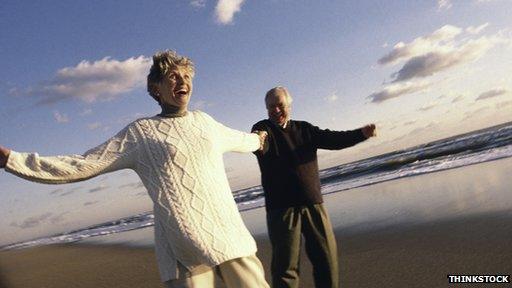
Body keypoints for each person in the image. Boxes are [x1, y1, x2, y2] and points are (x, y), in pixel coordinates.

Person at [0, 50, 270, 288]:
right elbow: (83, 164)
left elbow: (241, 139)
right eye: (173, 77)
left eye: (186, 76)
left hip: (227, 232)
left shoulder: (205, 122)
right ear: (156, 88)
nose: (182, 81)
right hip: (181, 245)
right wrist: (12, 160)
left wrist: (259, 139)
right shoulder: (141, 133)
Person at [251, 86, 376, 288]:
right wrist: (258, 139)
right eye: (270, 107)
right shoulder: (263, 129)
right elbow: (259, 143)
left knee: (327, 258)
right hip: (281, 209)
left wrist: (361, 134)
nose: (275, 110)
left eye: (280, 105)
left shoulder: (304, 129)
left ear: (289, 105)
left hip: (313, 204)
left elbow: (333, 139)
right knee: (286, 267)